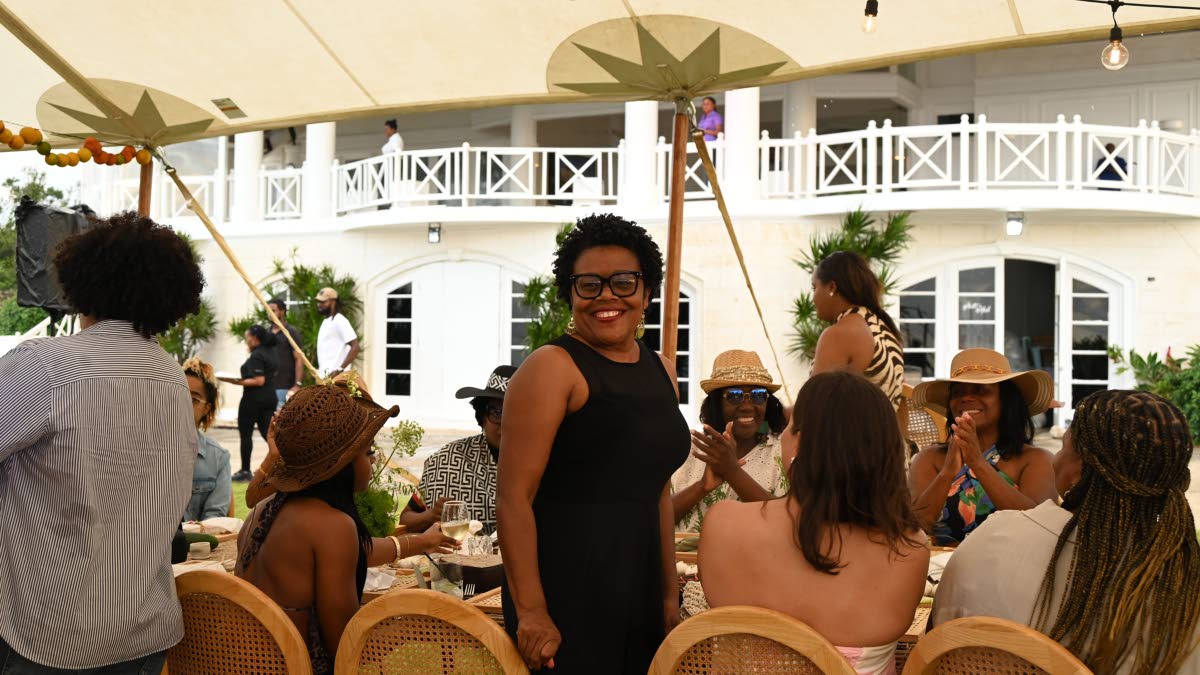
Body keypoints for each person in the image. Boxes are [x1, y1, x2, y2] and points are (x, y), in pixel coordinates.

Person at [0, 212, 204, 673]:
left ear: (81, 280)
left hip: (48, 631)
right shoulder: (172, 378)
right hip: (142, 629)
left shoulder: (47, 365)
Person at [498, 213, 689, 673]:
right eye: (589, 284)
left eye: (624, 282)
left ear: (646, 292)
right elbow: (512, 499)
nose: (607, 295)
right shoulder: (552, 367)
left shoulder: (661, 369)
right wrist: (532, 611)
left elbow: (657, 488)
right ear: (571, 293)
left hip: (640, 588)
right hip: (567, 595)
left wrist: (666, 595)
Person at [934, 390, 1200, 674]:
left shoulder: (993, 538)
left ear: (1079, 471)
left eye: (1062, 448)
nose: (1054, 459)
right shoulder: (1183, 582)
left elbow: (940, 637)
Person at [700, 372, 929, 674]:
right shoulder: (909, 551)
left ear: (801, 443)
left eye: (791, 426)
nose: (781, 434)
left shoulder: (722, 525)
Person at [238, 383, 457, 674]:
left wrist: (421, 542)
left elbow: (354, 551)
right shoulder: (333, 526)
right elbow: (347, 645)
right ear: (341, 465)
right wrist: (422, 624)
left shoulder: (263, 510)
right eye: (369, 451)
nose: (374, 459)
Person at [908, 348, 1058, 545]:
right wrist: (947, 473)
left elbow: (1038, 528)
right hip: (939, 571)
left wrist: (977, 463)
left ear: (1006, 400)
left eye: (980, 390)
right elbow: (914, 529)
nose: (966, 398)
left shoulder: (1036, 460)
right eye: (958, 392)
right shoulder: (928, 459)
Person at [671, 350, 789, 531]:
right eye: (735, 395)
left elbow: (784, 523)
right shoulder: (688, 446)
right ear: (717, 402)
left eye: (758, 395)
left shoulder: (782, 451)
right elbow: (655, 518)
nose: (747, 406)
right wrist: (702, 486)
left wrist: (731, 471)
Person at [409, 366, 515, 535]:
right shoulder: (448, 458)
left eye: (516, 413)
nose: (506, 423)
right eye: (497, 412)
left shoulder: (547, 463)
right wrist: (429, 515)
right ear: (482, 415)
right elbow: (406, 518)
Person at [809, 251, 905, 410]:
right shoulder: (881, 326)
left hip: (849, 434)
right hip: (882, 433)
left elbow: (812, 407)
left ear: (832, 287)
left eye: (814, 287)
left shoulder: (842, 332)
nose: (813, 298)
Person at [222, 324, 278, 482]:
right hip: (270, 397)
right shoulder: (271, 352)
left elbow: (259, 380)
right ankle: (281, 464)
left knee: (246, 435)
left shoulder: (257, 356)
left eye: (247, 338)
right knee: (268, 434)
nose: (246, 341)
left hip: (253, 399)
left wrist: (234, 382)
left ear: (254, 338)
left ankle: (245, 470)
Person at [183, 357, 233, 521]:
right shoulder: (147, 450)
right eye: (179, 394)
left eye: (193, 399)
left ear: (207, 408)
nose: (183, 403)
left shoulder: (218, 458)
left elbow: (214, 519)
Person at [267, 297, 305, 409]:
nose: (270, 313)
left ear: (282, 311)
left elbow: (299, 359)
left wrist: (297, 384)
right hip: (268, 387)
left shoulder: (291, 332)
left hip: (284, 386)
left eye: (273, 310)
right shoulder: (266, 333)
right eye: (268, 311)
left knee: (281, 422)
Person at [316, 287, 360, 378]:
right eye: (319, 302)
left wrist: (340, 369)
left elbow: (355, 347)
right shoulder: (326, 321)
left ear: (333, 302)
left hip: (337, 378)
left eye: (323, 302)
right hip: (325, 378)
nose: (319, 305)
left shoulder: (340, 320)